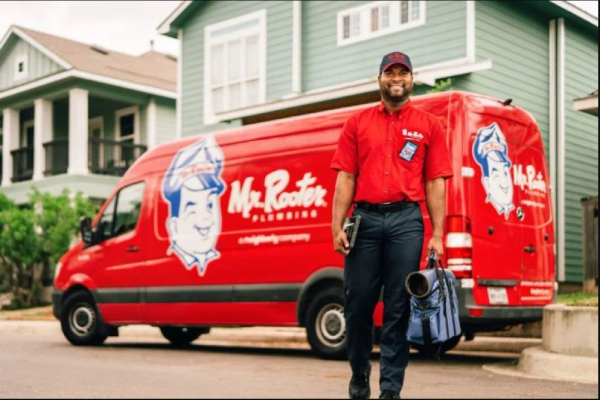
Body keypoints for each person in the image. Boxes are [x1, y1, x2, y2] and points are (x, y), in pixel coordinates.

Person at [330, 51, 454, 399]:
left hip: (406, 221)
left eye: (403, 72)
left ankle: (390, 389)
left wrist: (438, 235)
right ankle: (358, 375)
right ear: (379, 79)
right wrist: (336, 225)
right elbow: (346, 176)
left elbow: (435, 182)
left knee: (399, 306)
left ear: (412, 79)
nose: (396, 78)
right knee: (357, 305)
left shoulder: (429, 125)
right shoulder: (357, 123)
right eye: (390, 72)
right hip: (364, 220)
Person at [162, 134, 226, 277]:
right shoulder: (171, 262)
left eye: (210, 205)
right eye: (192, 208)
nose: (206, 215)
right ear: (174, 226)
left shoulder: (215, 255)